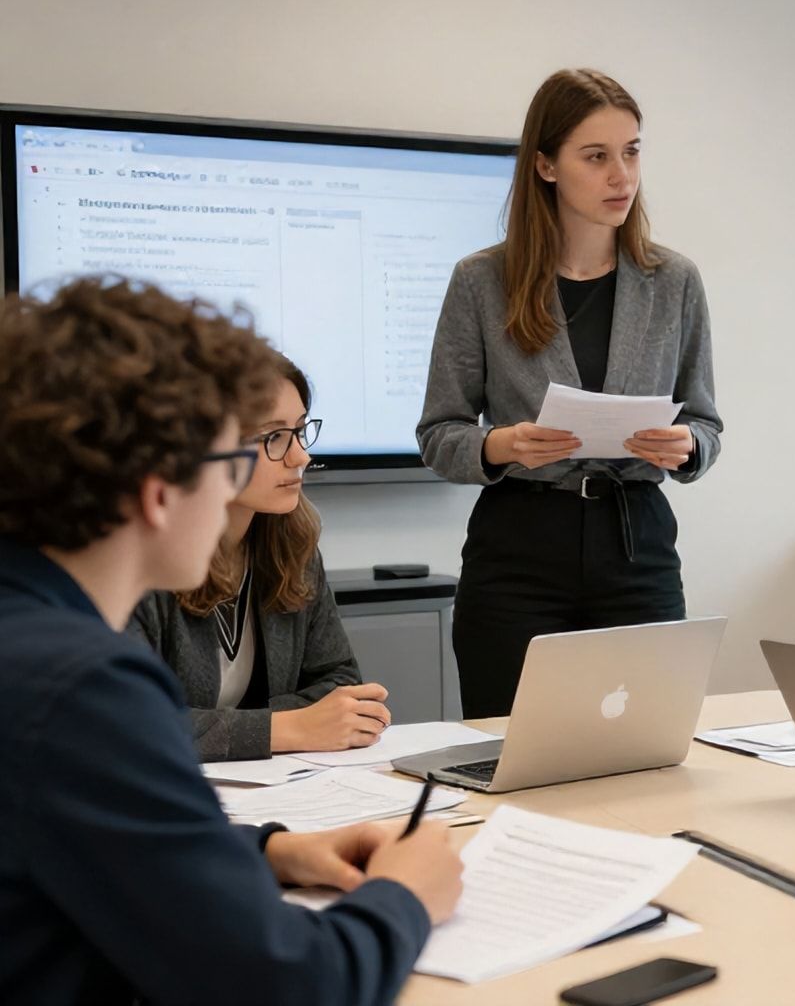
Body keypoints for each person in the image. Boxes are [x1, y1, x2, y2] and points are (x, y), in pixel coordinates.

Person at [0, 277, 462, 1003]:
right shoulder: (80, 688)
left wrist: (269, 849)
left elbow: (96, 842)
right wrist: (406, 896)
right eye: (229, 462)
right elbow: (289, 983)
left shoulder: (28, 628)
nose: (233, 492)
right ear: (159, 492)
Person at [419, 68, 722, 718]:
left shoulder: (674, 282)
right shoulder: (481, 281)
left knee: (647, 751)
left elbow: (706, 423)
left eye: (632, 151)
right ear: (547, 166)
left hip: (635, 543)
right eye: (597, 156)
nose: (622, 176)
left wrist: (686, 445)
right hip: (519, 549)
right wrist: (502, 444)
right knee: (509, 758)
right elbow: (439, 434)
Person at [130, 352, 392, 762]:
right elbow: (134, 722)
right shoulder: (142, 558)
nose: (300, 456)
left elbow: (340, 683)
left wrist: (217, 728)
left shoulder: (294, 544)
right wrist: (286, 727)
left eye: (301, 431)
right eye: (273, 438)